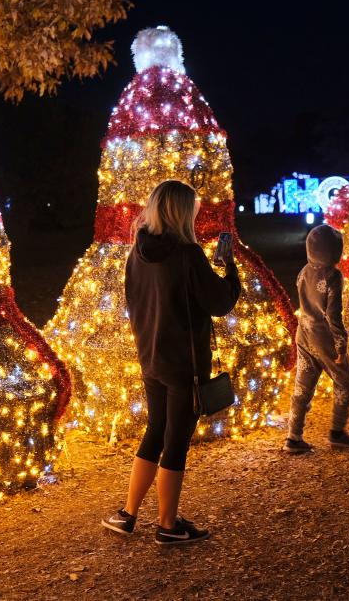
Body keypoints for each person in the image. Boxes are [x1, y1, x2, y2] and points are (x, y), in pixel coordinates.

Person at [102, 180, 241, 545]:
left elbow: (134, 301)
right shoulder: (187, 255)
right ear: (182, 212)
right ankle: (167, 524)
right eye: (193, 208)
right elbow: (219, 303)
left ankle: (127, 513)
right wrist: (230, 270)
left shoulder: (137, 252)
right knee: (176, 439)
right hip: (184, 363)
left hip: (151, 357)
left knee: (156, 429)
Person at [284, 224, 349, 453]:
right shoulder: (333, 276)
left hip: (303, 334)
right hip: (324, 338)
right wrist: (341, 345)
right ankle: (337, 432)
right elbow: (333, 314)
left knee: (302, 386)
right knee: (345, 380)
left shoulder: (304, 271)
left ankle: (293, 437)